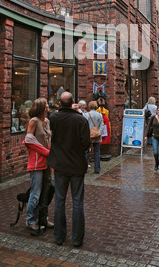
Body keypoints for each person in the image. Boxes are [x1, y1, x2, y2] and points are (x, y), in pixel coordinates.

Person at [48, 91, 90, 247]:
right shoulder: (80, 120)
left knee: (59, 201)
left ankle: (59, 237)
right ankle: (77, 239)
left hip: (60, 165)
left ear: (59, 103)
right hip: (77, 166)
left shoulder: (54, 118)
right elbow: (86, 143)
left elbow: (50, 136)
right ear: (73, 102)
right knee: (77, 201)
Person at [23, 98, 53, 235]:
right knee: (35, 193)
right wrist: (47, 152)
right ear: (41, 107)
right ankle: (30, 220)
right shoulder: (33, 121)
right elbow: (28, 140)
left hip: (47, 162)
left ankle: (43, 218)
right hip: (36, 162)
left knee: (46, 192)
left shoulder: (47, 122)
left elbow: (49, 140)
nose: (48, 105)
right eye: (46, 104)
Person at [85, 101, 104, 174]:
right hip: (97, 135)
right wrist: (99, 133)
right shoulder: (99, 115)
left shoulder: (86, 115)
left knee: (86, 152)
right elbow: (102, 125)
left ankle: (85, 168)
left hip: (88, 135)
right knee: (97, 152)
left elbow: (84, 125)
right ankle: (97, 169)